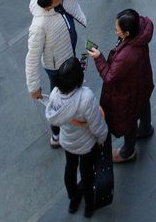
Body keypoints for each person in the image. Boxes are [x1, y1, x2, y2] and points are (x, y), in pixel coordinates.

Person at [26, 0, 88, 145]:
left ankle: (74, 110)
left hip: (69, 53)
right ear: (48, 6)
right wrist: (34, 87)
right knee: (56, 100)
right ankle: (56, 134)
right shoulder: (38, 26)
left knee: (69, 91)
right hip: (56, 67)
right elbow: (31, 58)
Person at [86, 8, 155, 165]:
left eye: (118, 29)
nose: (115, 31)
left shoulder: (126, 55)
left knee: (129, 120)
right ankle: (145, 129)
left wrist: (98, 58)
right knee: (143, 103)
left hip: (128, 91)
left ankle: (128, 152)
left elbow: (109, 77)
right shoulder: (141, 32)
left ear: (127, 33)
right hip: (142, 82)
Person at [45, 56, 108, 216]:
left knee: (70, 169)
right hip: (86, 145)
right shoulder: (85, 98)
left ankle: (73, 199)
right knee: (87, 175)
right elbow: (96, 125)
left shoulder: (54, 95)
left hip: (68, 142)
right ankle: (88, 206)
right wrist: (102, 139)